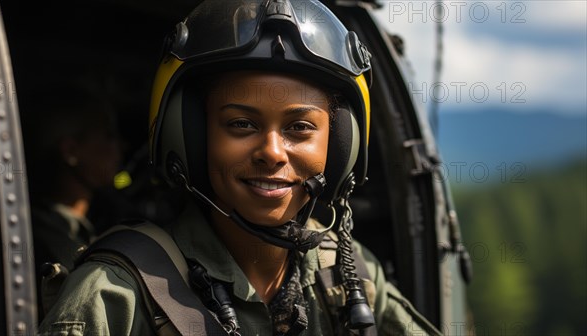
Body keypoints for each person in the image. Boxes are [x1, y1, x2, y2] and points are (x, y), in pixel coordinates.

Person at [38, 1, 442, 335]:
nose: (272, 152)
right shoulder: (113, 296)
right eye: (241, 124)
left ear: (340, 148)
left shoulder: (350, 277)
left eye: (299, 127)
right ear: (190, 138)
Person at [23, 85, 122, 318]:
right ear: (70, 150)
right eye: (108, 135)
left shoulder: (105, 221)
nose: (118, 146)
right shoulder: (42, 241)